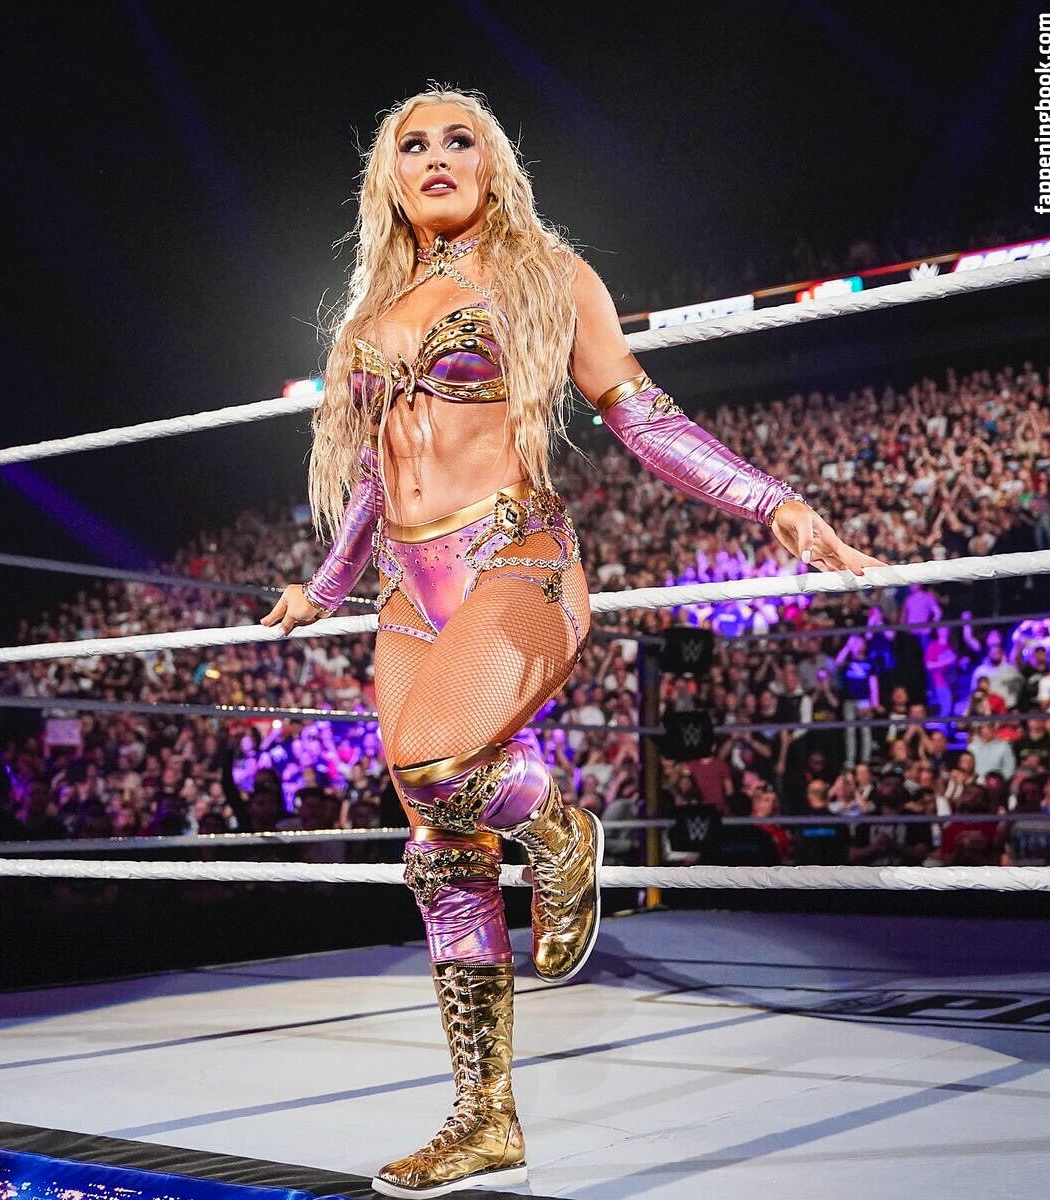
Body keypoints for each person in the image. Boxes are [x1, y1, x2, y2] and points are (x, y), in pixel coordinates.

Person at [259, 87, 879, 1198]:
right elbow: (371, 481)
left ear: (492, 163)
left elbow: (644, 416)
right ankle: (483, 1116)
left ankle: (556, 826)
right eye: (414, 143)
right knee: (438, 849)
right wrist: (324, 588)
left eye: (460, 139)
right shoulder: (371, 313)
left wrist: (774, 503)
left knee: (433, 763)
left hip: (517, 560)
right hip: (406, 592)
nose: (437, 156)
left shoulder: (547, 275)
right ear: (388, 176)